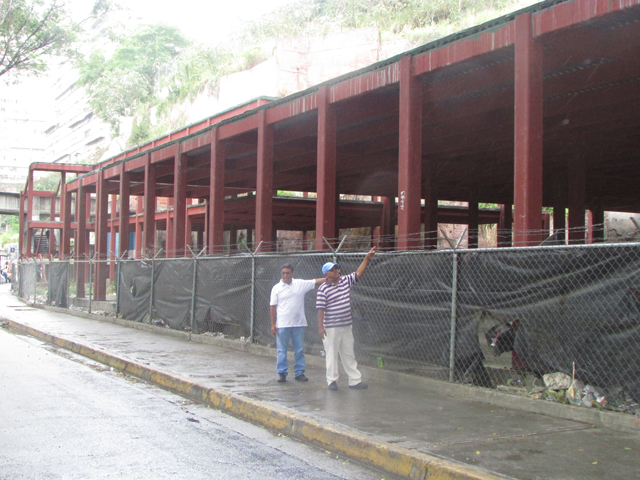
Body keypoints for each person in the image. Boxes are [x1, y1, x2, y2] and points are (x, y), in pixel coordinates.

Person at [316, 246, 376, 391]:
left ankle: (355, 381)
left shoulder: (344, 281)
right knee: (331, 354)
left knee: (348, 353)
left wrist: (367, 258)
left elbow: (358, 273)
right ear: (326, 274)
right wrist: (320, 327)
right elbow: (320, 309)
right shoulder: (323, 289)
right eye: (333, 269)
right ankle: (332, 381)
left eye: (337, 268)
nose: (337, 271)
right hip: (331, 327)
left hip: (346, 325)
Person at [270, 264, 324, 383]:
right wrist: (273, 324)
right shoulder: (276, 288)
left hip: (298, 324)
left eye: (287, 273)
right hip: (282, 325)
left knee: (299, 350)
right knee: (281, 350)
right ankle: (282, 373)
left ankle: (299, 372)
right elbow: (273, 307)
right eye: (283, 273)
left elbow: (315, 281)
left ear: (293, 273)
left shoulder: (300, 284)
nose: (285, 275)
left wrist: (332, 278)